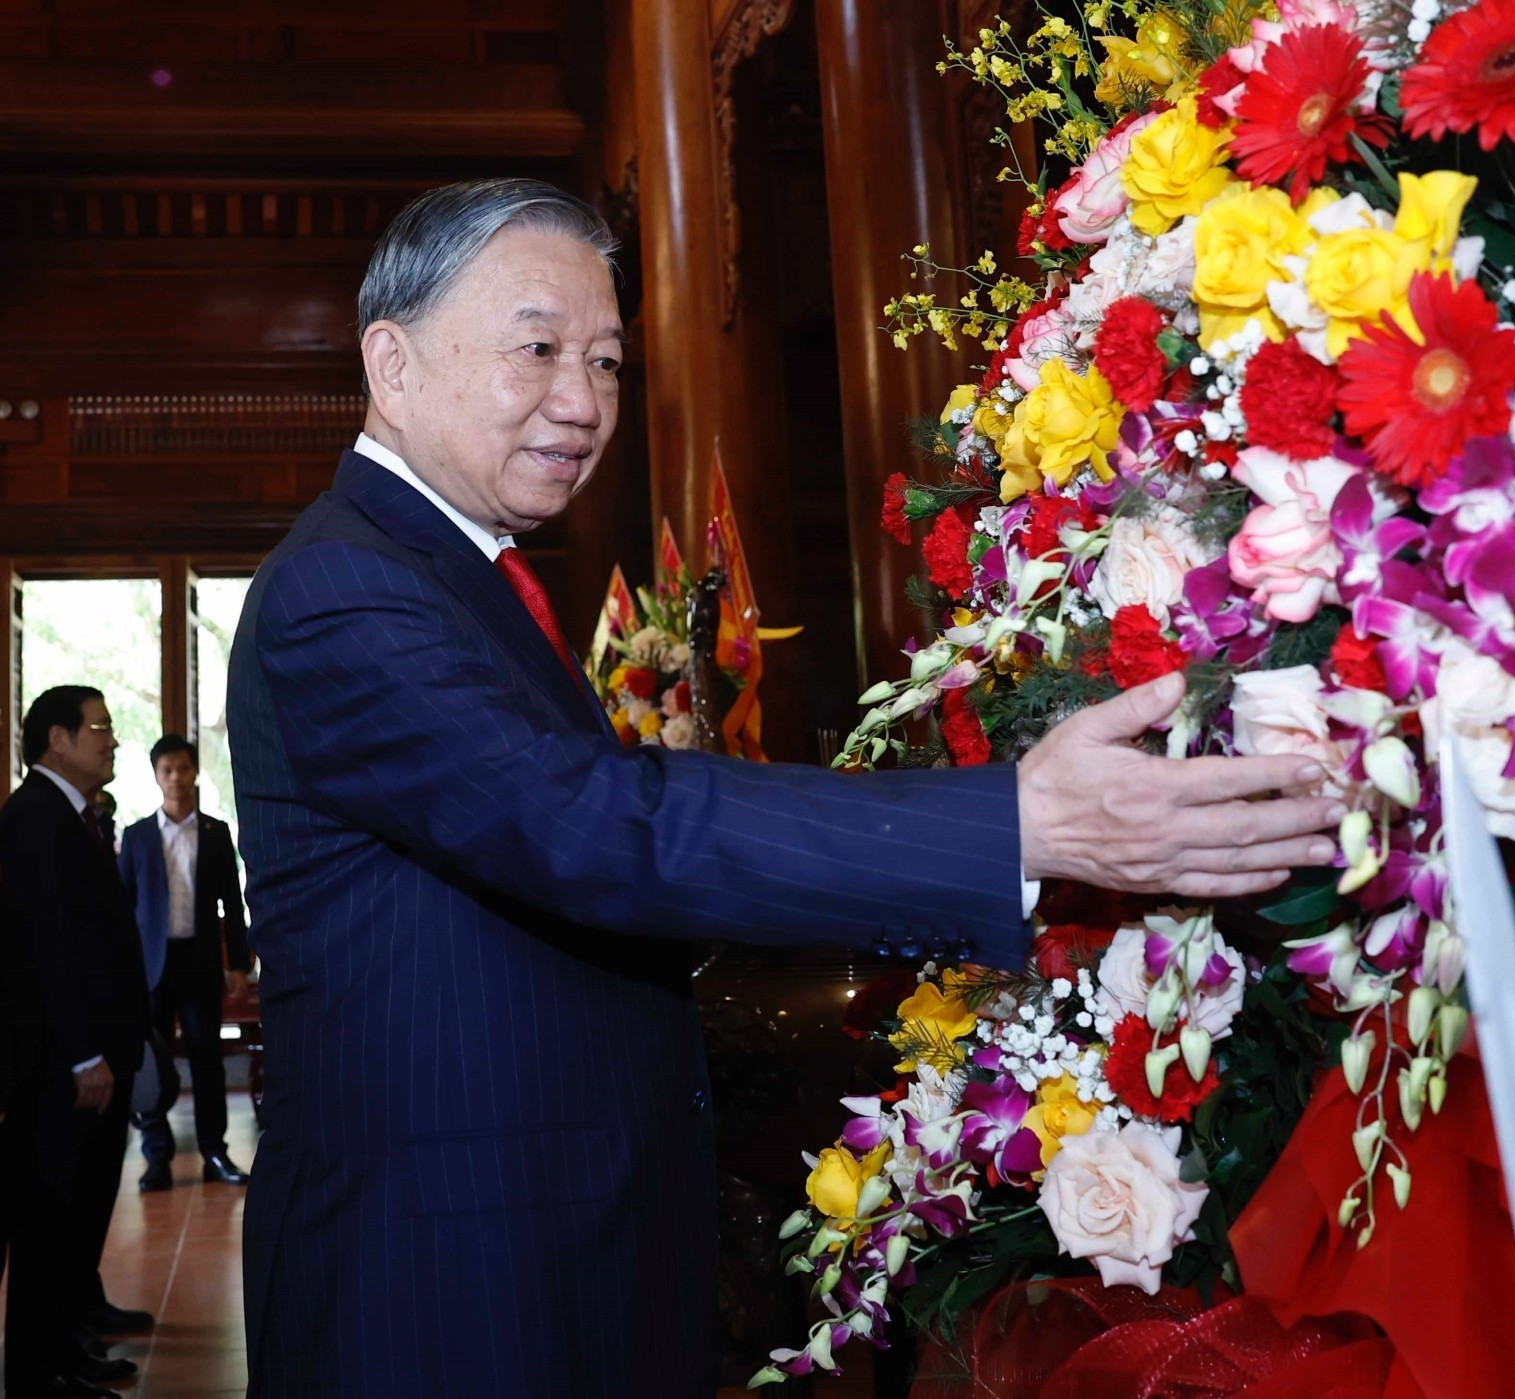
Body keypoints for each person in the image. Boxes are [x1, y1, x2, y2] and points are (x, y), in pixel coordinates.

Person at [227, 178, 1347, 1399]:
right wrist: (1014, 820)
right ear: (393, 364)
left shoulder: (460, 575)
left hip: (552, 1251)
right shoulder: (345, 590)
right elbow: (592, 822)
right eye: (539, 349)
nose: (583, 401)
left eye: (605, 360)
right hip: (443, 1282)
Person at [0, 687, 154, 1398]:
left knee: (78, 1213)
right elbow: (47, 946)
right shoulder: (33, 817)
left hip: (97, 1051)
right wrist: (84, 1053)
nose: (113, 740)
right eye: (100, 727)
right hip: (62, 1064)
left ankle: (66, 1346)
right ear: (56, 739)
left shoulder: (78, 815)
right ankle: (36, 1370)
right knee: (46, 1220)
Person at [119, 734, 251, 1191]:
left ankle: (215, 1151)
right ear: (156, 777)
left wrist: (237, 964)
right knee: (150, 1060)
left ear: (195, 772)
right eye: (166, 770)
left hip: (198, 962)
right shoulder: (136, 837)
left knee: (206, 1058)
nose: (176, 777)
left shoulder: (216, 834)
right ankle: (157, 1157)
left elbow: (232, 905)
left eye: (183, 768)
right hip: (150, 965)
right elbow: (122, 908)